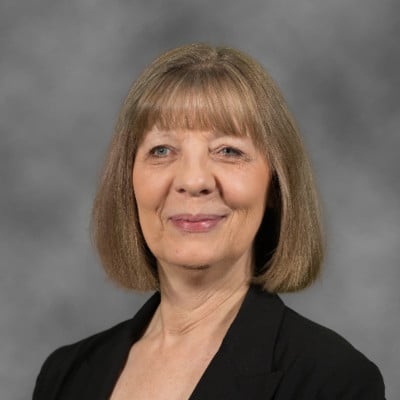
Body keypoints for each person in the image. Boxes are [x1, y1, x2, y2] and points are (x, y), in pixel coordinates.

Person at [32, 43, 385, 400]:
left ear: (276, 185)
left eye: (228, 151)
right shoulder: (64, 376)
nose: (193, 180)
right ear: (129, 181)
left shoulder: (334, 380)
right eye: (162, 150)